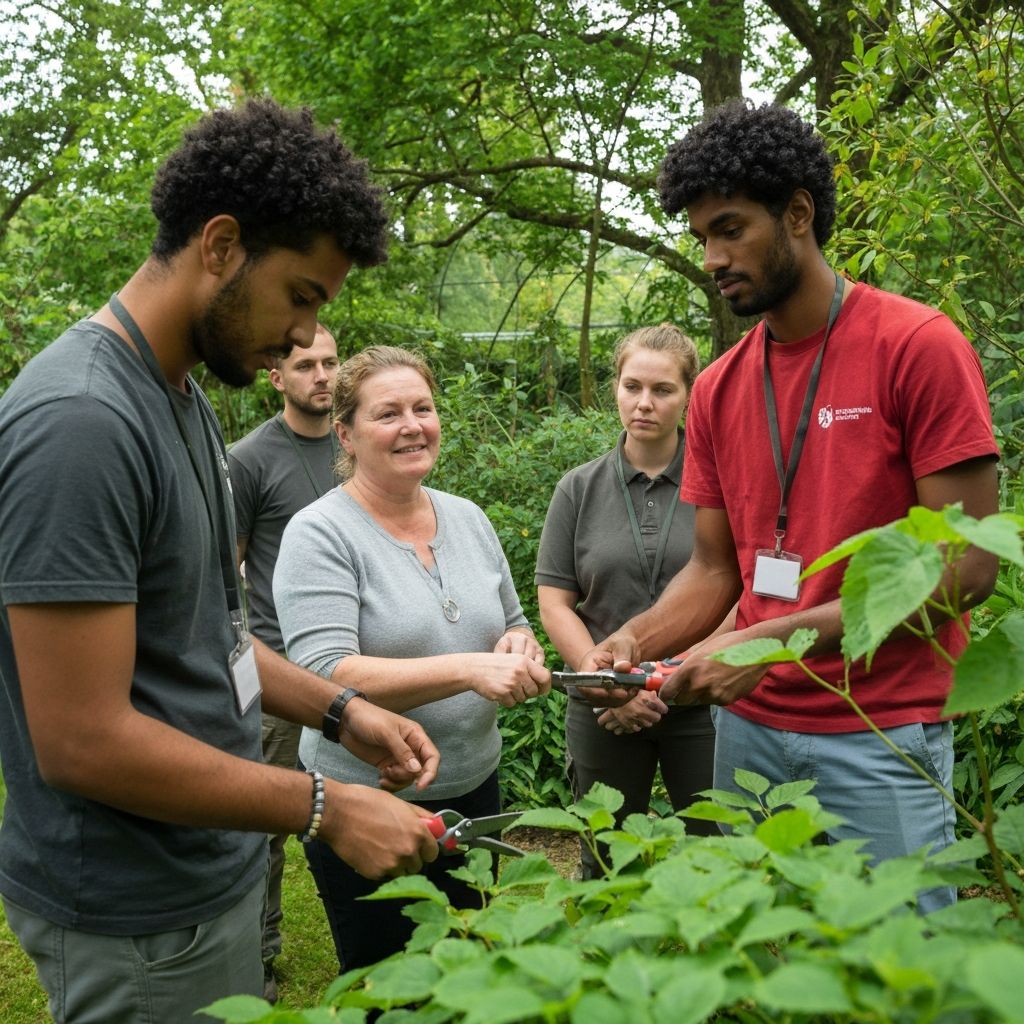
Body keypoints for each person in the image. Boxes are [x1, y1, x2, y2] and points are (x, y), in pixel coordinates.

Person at [0, 99, 443, 1024]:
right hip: (135, 916)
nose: (302, 335)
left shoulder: (186, 401)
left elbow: (217, 634)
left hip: (209, 870)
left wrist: (340, 709)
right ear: (221, 244)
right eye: (302, 295)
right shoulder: (81, 423)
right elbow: (80, 740)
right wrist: (326, 806)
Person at [581, 100, 999, 914]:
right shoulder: (718, 387)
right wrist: (635, 639)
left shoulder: (918, 347)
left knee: (898, 975)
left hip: (879, 732)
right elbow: (713, 568)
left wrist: (767, 641)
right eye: (702, 237)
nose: (712, 256)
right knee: (767, 969)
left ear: (798, 214)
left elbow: (967, 567)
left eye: (730, 229)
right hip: (747, 737)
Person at [273, 344, 552, 970]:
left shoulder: (469, 518)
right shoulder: (319, 533)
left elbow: (512, 622)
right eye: (388, 413)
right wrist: (469, 668)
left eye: (422, 408)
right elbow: (325, 675)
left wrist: (517, 645)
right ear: (344, 432)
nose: (411, 426)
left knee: (468, 967)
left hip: (475, 787)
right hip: (365, 800)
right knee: (388, 980)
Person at [535, 324, 718, 877]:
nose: (644, 403)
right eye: (631, 385)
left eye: (662, 390)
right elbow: (555, 602)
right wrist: (603, 685)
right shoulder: (578, 488)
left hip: (704, 700)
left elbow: (736, 585)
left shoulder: (722, 484)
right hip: (603, 704)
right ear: (615, 387)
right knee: (606, 859)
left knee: (718, 856)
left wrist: (671, 674)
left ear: (690, 395)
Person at [227, 322, 341, 1001]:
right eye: (305, 365)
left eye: (330, 362)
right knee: (267, 825)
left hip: (354, 671)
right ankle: (259, 956)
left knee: (353, 808)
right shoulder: (249, 459)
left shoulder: (361, 443)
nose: (321, 375)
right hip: (276, 675)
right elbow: (225, 571)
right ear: (277, 376)